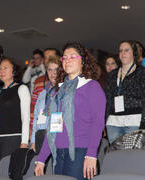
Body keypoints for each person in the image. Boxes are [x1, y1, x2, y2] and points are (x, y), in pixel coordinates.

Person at [35, 42, 106, 180]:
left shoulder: (91, 86)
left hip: (80, 152)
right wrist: (41, 158)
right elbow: (52, 127)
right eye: (64, 58)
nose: (67, 60)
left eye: (72, 56)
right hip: (58, 153)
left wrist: (91, 154)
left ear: (83, 60)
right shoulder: (59, 91)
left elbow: (97, 123)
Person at [105, 40, 145, 144]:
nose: (123, 53)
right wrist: (105, 120)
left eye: (126, 50)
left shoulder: (142, 72)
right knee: (114, 156)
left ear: (133, 53)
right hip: (113, 122)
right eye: (120, 51)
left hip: (134, 121)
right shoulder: (112, 74)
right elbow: (108, 99)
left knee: (131, 157)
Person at [30, 57, 62, 154]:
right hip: (41, 135)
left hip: (57, 136)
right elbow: (36, 117)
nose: (53, 73)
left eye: (56, 69)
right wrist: (33, 141)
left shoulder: (65, 91)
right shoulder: (43, 93)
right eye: (50, 70)